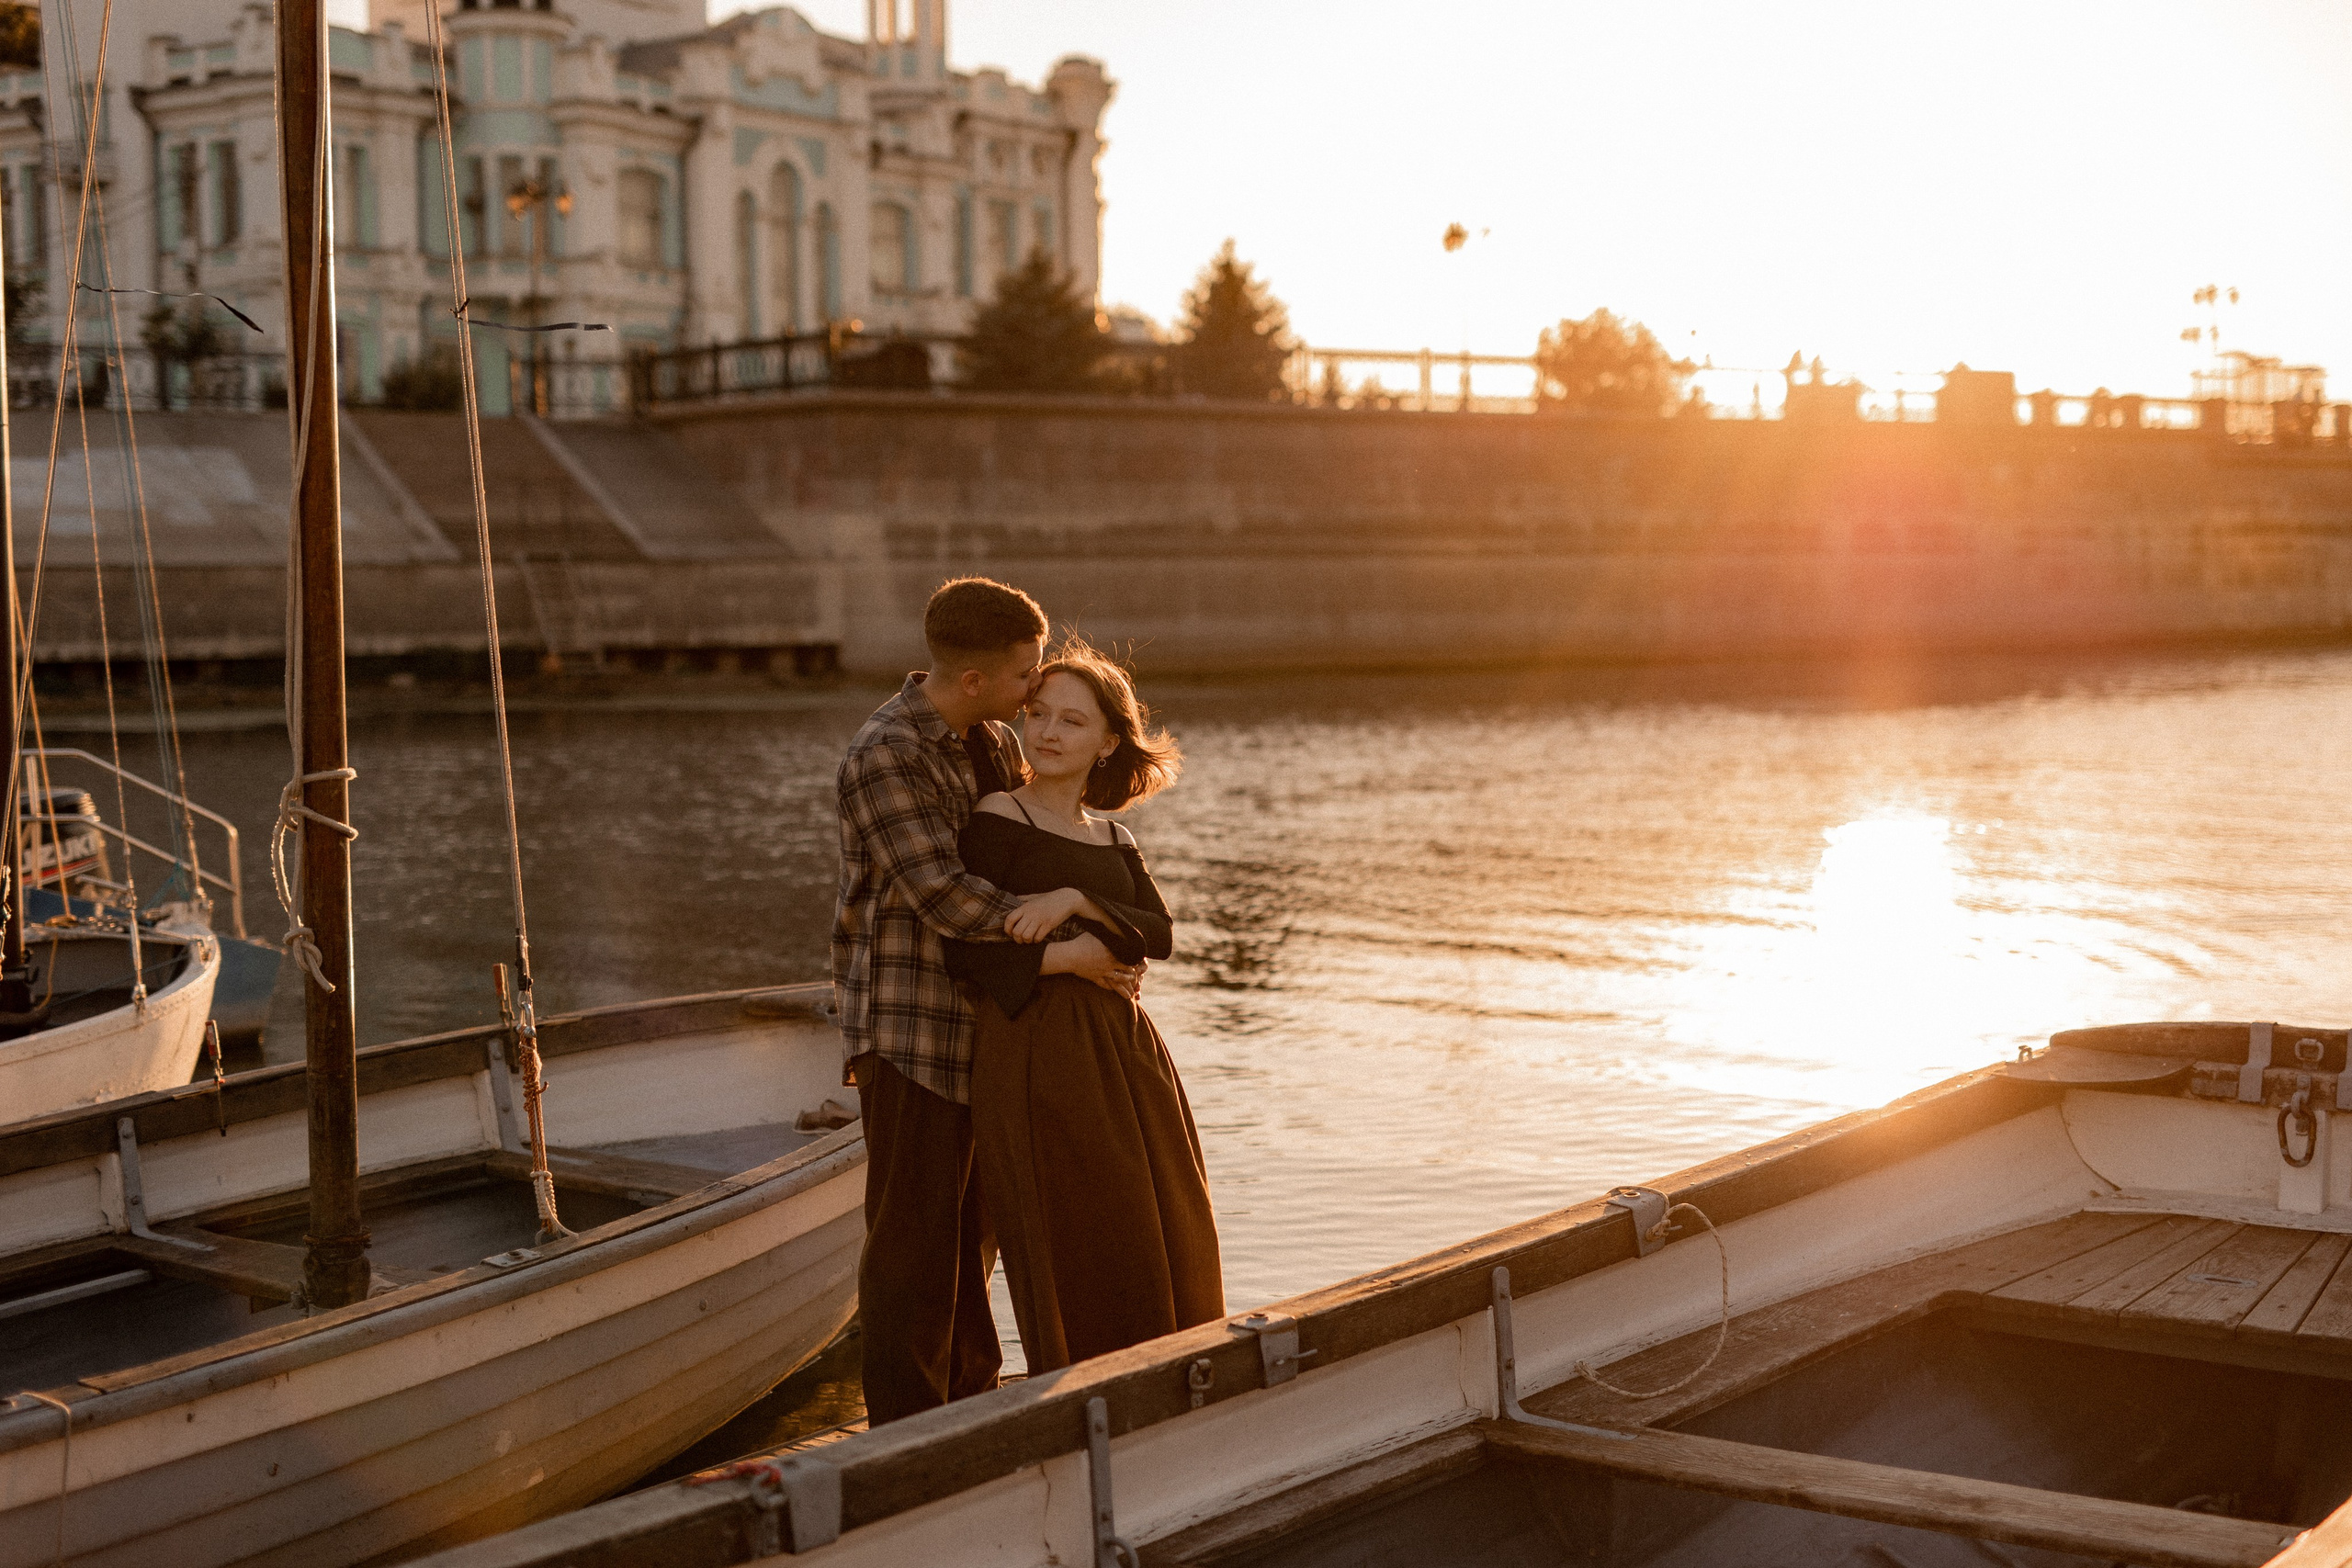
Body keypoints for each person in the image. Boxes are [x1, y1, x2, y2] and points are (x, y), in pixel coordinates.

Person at [832, 579, 1142, 1424]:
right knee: (912, 1246)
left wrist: (1094, 910)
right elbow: (945, 894)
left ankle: (967, 1411)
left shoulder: (992, 743)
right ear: (975, 680)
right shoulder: (885, 753)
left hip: (990, 1020)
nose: (1033, 692)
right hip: (911, 1026)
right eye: (1025, 677)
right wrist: (1068, 950)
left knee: (976, 1239)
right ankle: (902, 1432)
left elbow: (1028, 858)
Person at [944, 642, 1225, 1373]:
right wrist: (1074, 954)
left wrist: (1075, 901)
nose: (1047, 732)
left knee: (1156, 1216)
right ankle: (1076, 1384)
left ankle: (1169, 1369)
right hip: (1035, 1048)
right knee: (1068, 1225)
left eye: (1072, 720)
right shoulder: (996, 817)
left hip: (1126, 1054)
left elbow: (1157, 935)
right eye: (1037, 714)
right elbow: (963, 950)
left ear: (1107, 741)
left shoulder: (1113, 837)